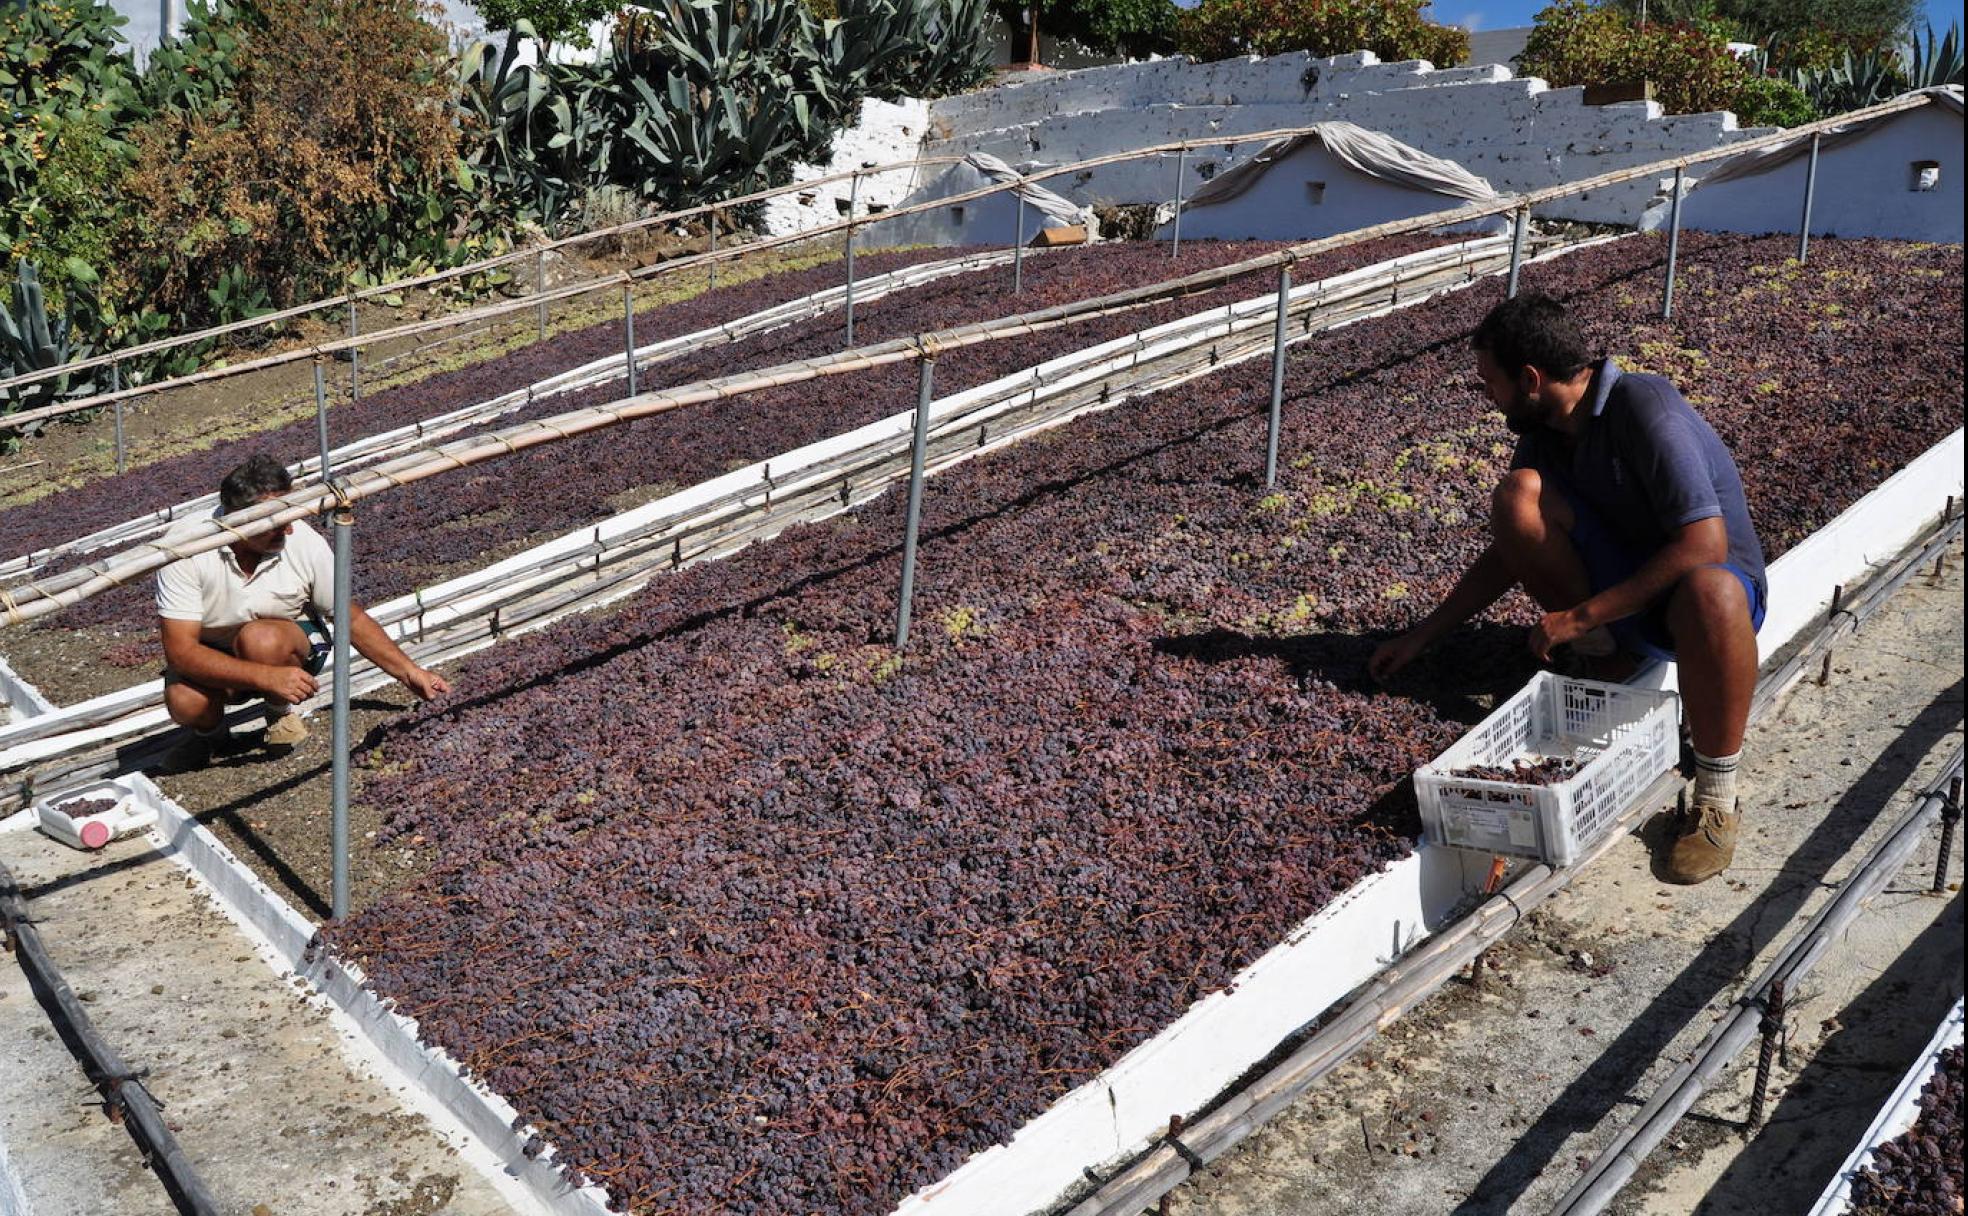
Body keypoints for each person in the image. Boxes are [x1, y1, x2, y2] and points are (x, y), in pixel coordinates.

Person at [1369, 293, 1766, 885]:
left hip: (1708, 601)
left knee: (1711, 591)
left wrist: (1579, 616)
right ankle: (1612, 652)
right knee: (1517, 494)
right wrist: (1425, 634)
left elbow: (1703, 545)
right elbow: (1512, 547)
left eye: (1490, 381)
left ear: (1530, 378)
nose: (1486, 395)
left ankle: (1716, 795)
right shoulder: (1547, 431)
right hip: (1627, 592)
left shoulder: (1645, 407)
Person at [155, 454, 450, 770]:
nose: (289, 529)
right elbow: (181, 651)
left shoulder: (304, 544)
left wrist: (409, 672)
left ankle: (278, 714)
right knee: (186, 701)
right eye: (275, 522)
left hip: (284, 642)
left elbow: (348, 616)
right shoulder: (185, 548)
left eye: (289, 516)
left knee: (261, 639)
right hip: (213, 648)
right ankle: (211, 737)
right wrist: (265, 676)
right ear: (236, 520)